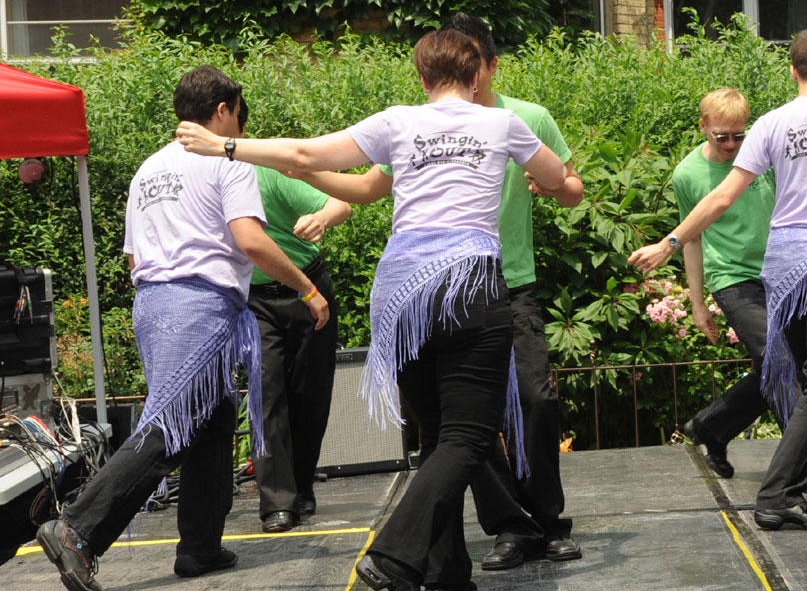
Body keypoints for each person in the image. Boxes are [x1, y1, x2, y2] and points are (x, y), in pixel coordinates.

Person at [176, 29, 567, 591]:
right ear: (476, 75)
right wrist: (540, 179)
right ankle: (393, 553)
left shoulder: (397, 123)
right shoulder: (503, 123)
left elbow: (307, 154)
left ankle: (446, 574)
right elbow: (557, 178)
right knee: (467, 437)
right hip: (469, 285)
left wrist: (229, 146)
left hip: (402, 295)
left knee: (438, 435)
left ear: (422, 79)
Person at [290, 13, 585, 572]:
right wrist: (314, 186)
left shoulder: (523, 119)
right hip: (431, 288)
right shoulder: (417, 124)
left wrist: (548, 186)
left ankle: (548, 523)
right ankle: (509, 527)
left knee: (533, 402)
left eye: (470, 60)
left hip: (505, 285)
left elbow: (571, 188)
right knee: (460, 427)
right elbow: (370, 186)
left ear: (487, 67)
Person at [37, 66, 330, 591]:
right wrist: (307, 289)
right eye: (238, 115)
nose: (240, 127)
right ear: (222, 111)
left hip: (153, 303)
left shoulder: (149, 169)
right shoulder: (228, 159)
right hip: (201, 307)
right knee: (170, 426)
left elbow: (133, 257)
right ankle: (77, 527)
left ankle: (200, 547)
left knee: (212, 420)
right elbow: (251, 241)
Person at [630, 27, 807, 530]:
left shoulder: (770, 124)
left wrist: (668, 242)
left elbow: (722, 197)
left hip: (783, 270)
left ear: (792, 70)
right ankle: (776, 494)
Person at [673, 88, 777, 478]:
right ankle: (806, 464)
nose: (732, 144)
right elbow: (691, 238)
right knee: (776, 358)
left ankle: (710, 427)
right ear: (703, 126)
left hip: (776, 272)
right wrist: (697, 302)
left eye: (739, 135)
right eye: (722, 136)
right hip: (731, 276)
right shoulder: (688, 174)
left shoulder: (761, 159)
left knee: (786, 365)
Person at [249, 168, 352, 533]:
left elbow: (341, 205)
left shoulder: (267, 173)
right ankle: (278, 503)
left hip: (307, 287)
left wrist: (320, 218)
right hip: (254, 299)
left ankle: (301, 484)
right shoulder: (205, 180)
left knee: (310, 394)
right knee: (267, 393)